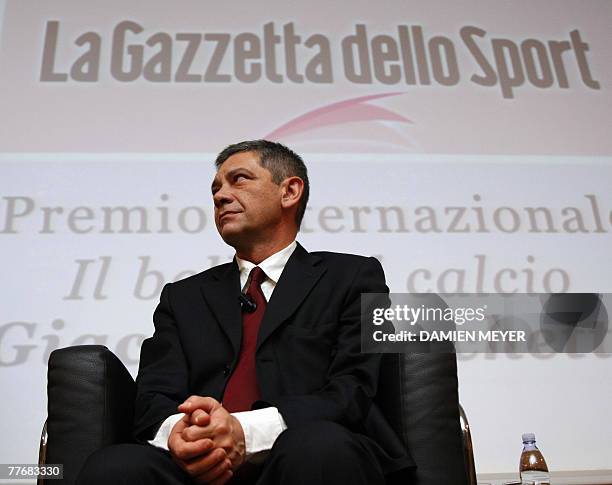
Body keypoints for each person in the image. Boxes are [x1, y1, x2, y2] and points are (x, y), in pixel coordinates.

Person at [76, 140, 413, 485]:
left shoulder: (353, 276)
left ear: (289, 191)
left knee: (317, 446)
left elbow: (352, 389)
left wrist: (243, 431)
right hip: (199, 471)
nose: (221, 196)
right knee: (114, 467)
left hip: (306, 453)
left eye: (238, 180)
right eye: (215, 189)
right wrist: (182, 436)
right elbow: (153, 398)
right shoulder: (183, 297)